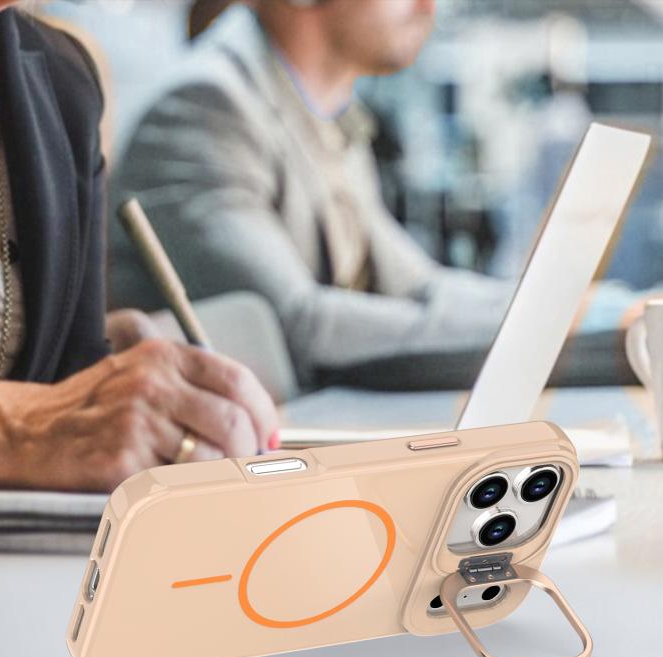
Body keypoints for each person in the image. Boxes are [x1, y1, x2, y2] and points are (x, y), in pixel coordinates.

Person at [0, 0, 279, 497]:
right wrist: (12, 428)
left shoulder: (66, 80)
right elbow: (43, 421)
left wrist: (127, 404)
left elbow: (73, 382)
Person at [110, 0, 517, 387]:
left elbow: (417, 285)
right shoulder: (202, 109)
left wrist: (536, 310)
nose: (428, 6)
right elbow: (296, 327)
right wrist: (521, 330)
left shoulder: (328, 114)